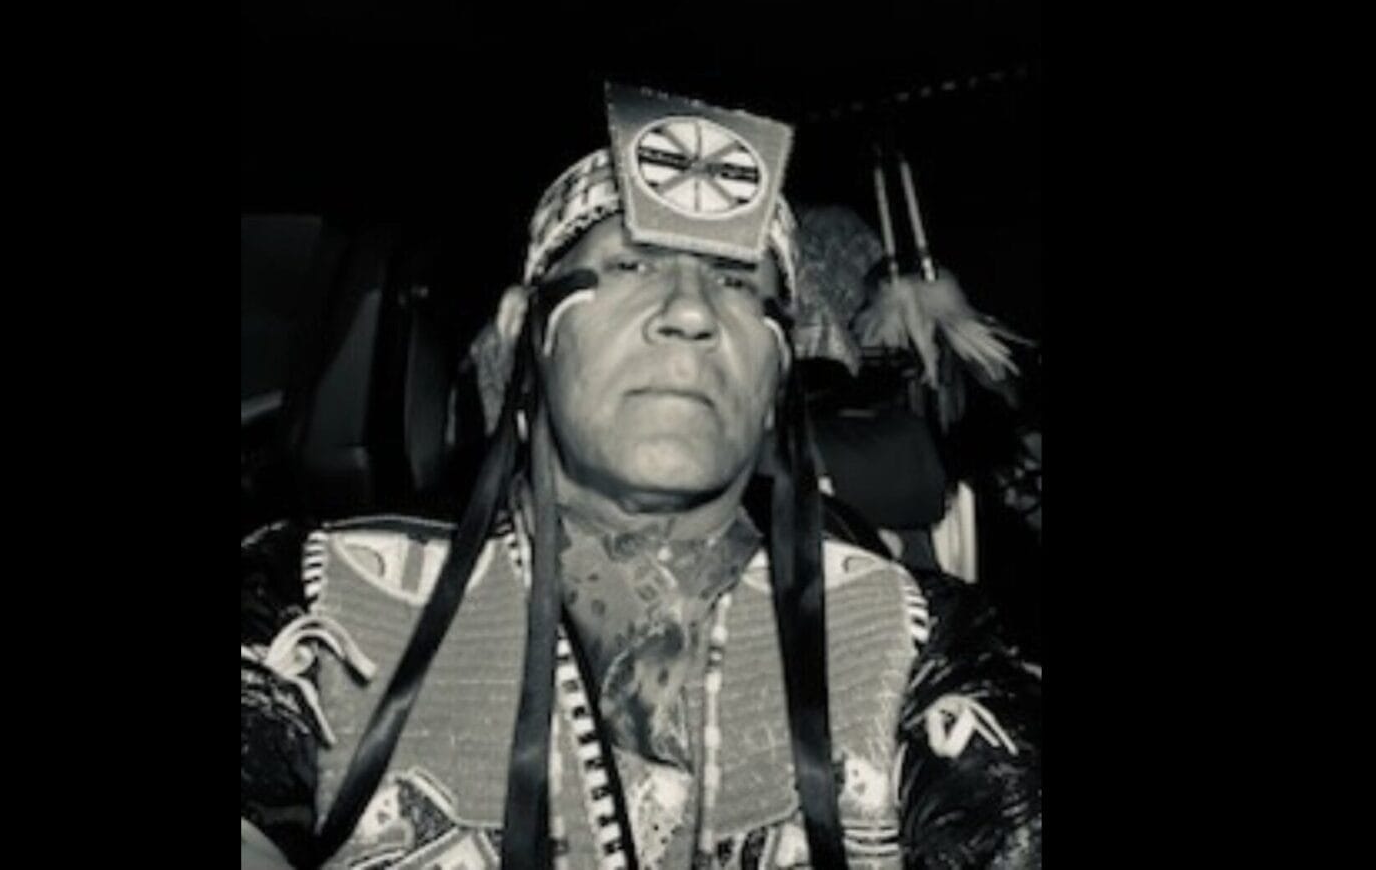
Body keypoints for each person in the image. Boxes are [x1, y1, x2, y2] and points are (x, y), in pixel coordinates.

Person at [241, 85, 1042, 869]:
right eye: (629, 263)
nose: (690, 311)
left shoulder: (913, 639)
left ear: (779, 368)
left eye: (737, 282)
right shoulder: (316, 604)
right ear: (524, 329)